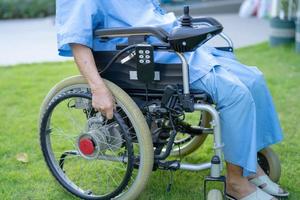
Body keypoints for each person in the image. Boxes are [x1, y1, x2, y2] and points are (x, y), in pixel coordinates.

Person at [56, 0, 288, 199]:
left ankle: (251, 167)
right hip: (144, 59)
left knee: (253, 79)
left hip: (172, 48)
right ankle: (235, 182)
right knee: (235, 94)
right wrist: (98, 89)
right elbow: (78, 42)